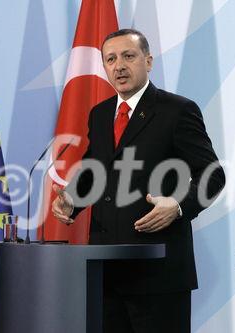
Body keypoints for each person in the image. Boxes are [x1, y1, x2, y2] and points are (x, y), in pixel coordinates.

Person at [51, 29, 225, 333]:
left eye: (128, 56)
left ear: (148, 61)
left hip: (158, 274)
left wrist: (179, 205)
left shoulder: (178, 110)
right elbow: (96, 168)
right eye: (110, 59)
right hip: (106, 272)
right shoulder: (101, 114)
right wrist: (72, 200)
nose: (119, 65)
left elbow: (212, 174)